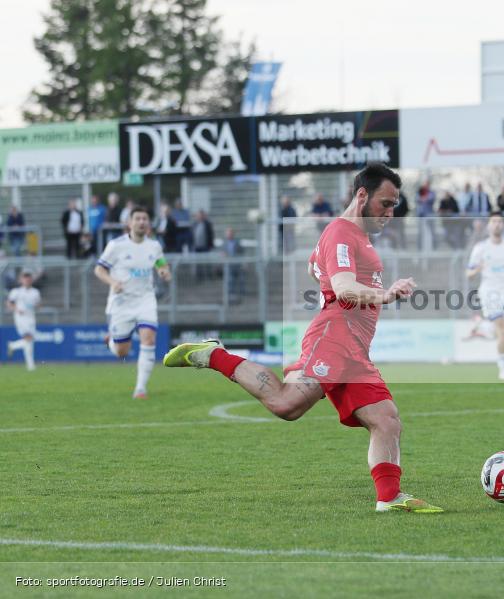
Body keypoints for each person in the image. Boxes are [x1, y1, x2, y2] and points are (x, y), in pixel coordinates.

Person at [163, 164, 442, 513]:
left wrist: (336, 279)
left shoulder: (352, 237)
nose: (390, 213)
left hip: (354, 347)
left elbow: (316, 268)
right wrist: (385, 294)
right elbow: (341, 287)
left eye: (394, 206)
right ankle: (212, 355)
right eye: (385, 204)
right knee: (287, 404)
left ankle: (389, 498)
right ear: (361, 195)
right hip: (336, 336)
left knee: (386, 419)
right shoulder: (342, 232)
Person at [94, 206, 171, 399]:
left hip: (146, 299)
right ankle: (111, 341)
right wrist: (112, 282)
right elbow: (99, 270)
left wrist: (164, 271)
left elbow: (161, 263)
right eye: (137, 218)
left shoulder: (154, 245)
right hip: (121, 302)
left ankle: (140, 389)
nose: (142, 222)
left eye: (145, 218)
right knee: (122, 351)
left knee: (149, 339)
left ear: (148, 223)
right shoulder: (116, 245)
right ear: (129, 223)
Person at [467, 212, 504, 381]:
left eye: (500, 221)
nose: (497, 224)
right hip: (489, 291)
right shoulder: (480, 248)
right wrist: (478, 269)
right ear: (489, 226)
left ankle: (484, 326)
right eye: (494, 221)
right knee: (501, 331)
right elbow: (468, 273)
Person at [6, 269, 41, 371]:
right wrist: (17, 309)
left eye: (28, 279)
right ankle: (30, 365)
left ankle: (13, 346)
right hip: (20, 318)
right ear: (21, 280)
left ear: (31, 280)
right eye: (25, 279)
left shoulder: (35, 292)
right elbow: (9, 303)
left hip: (31, 318)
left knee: (29, 341)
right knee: (28, 338)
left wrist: (35, 306)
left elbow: (39, 305)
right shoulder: (16, 292)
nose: (27, 280)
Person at [222, 227, 245, 302]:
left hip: (237, 263)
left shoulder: (237, 242)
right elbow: (222, 253)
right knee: (230, 279)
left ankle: (242, 292)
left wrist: (243, 263)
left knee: (241, 278)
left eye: (230, 233)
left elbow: (242, 252)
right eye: (228, 233)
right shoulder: (224, 243)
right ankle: (231, 292)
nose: (229, 235)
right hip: (228, 264)